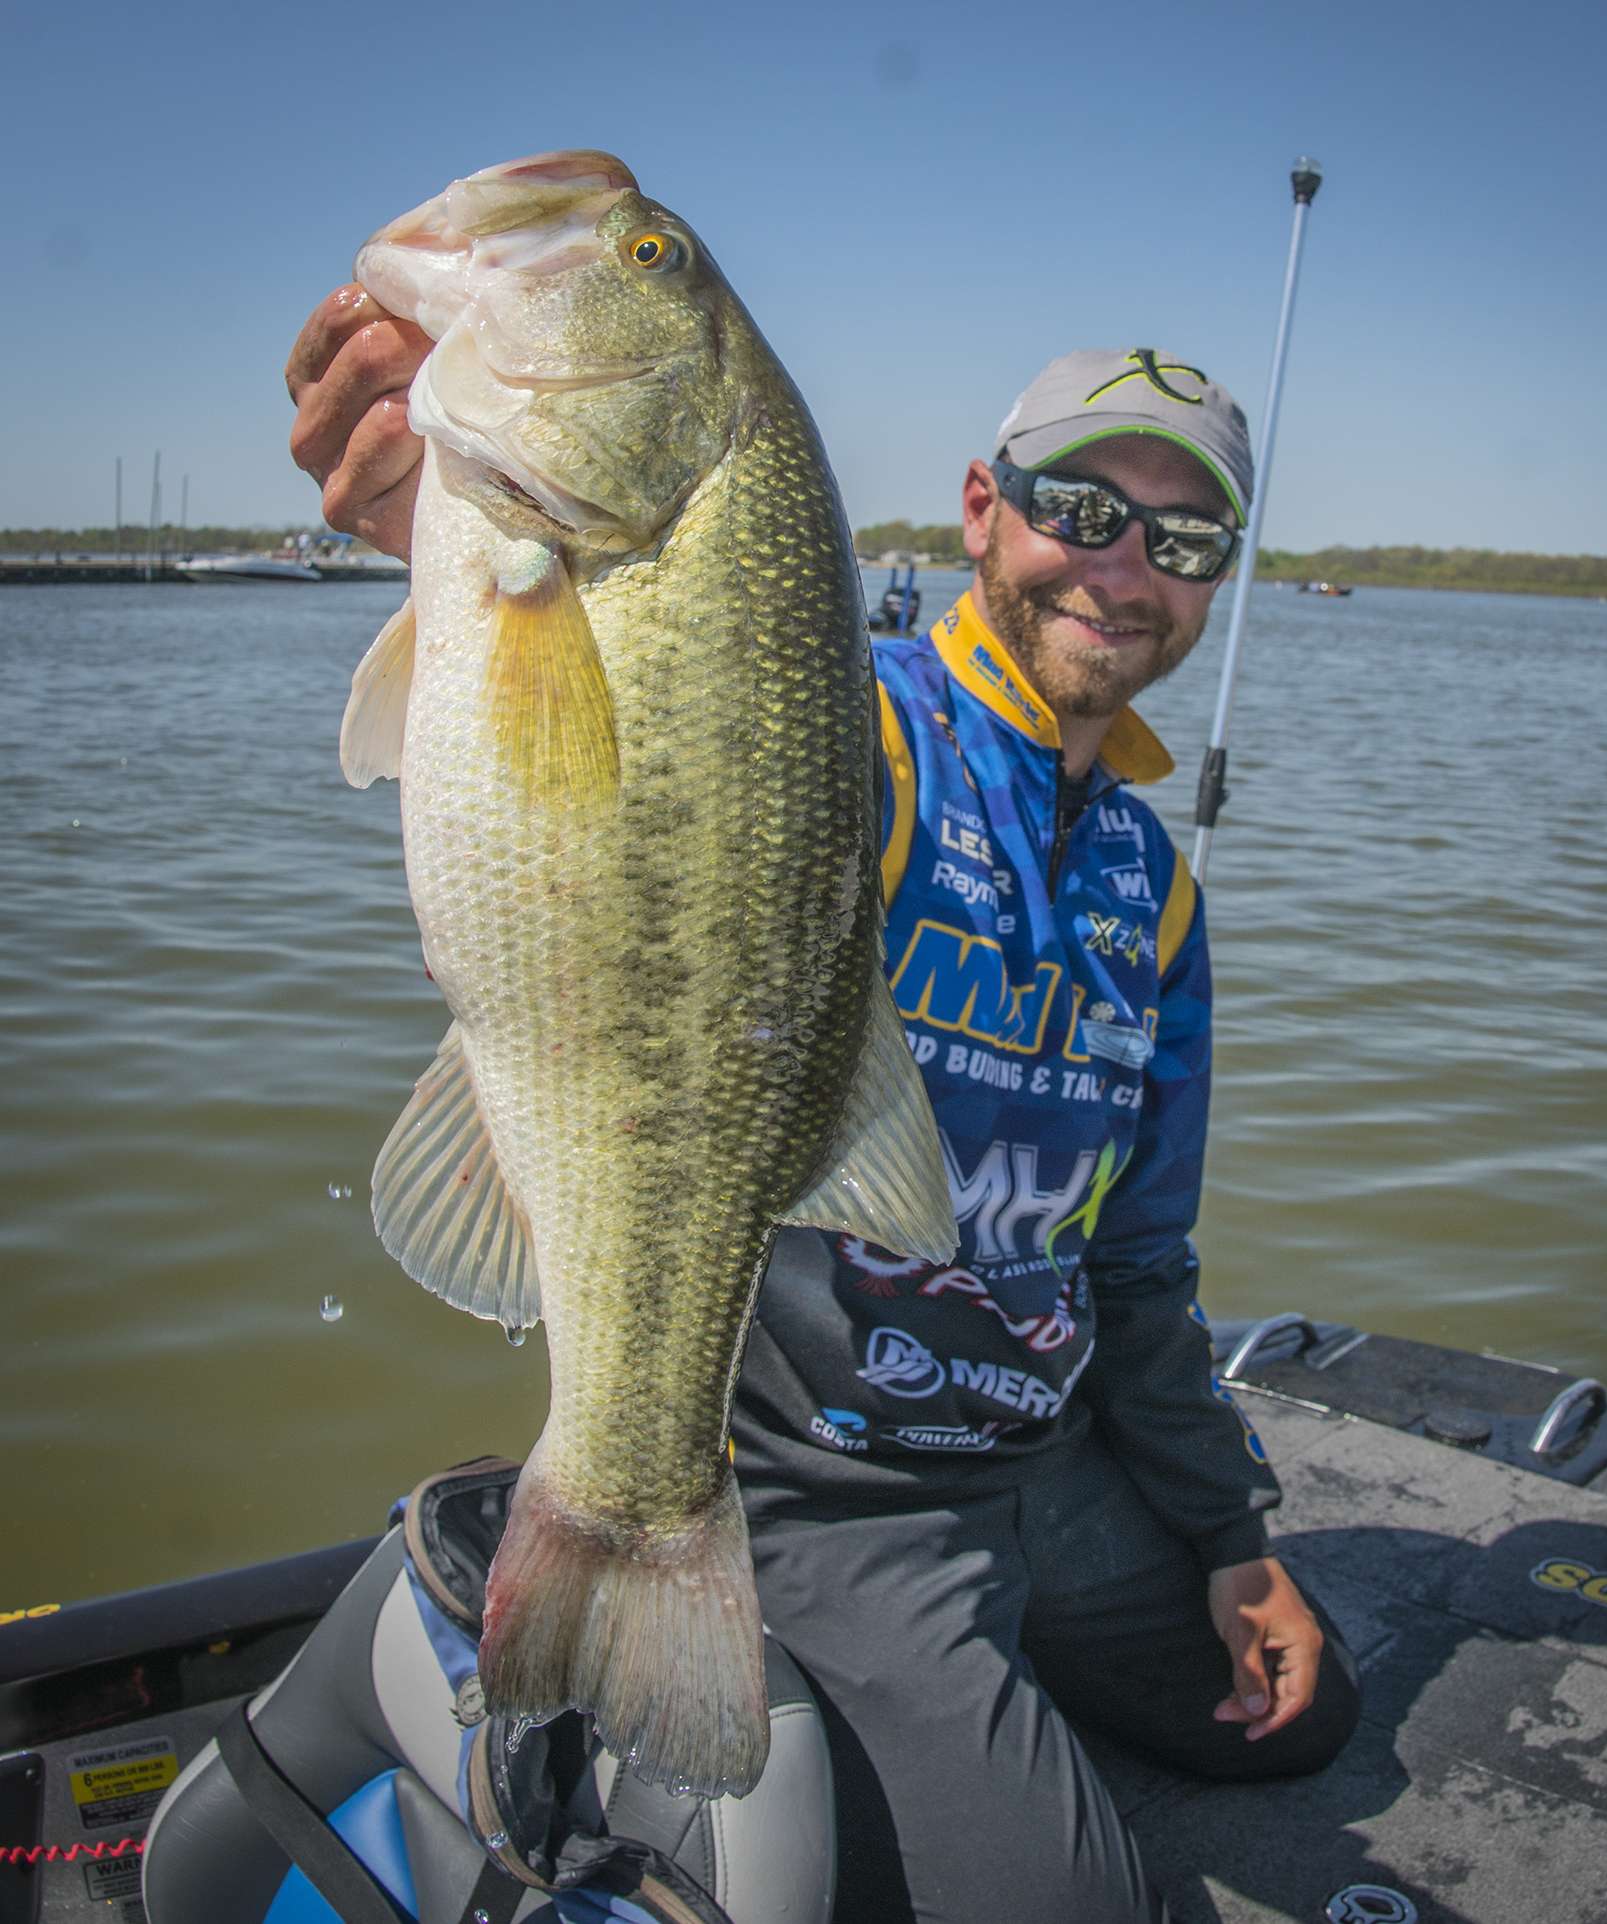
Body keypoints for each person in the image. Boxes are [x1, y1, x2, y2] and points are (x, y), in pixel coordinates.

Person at [287, 307, 1362, 1923]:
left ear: (1216, 578)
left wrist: (1231, 1537)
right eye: (1082, 510)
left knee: (1304, 1718)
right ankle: (680, 1626)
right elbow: (661, 717)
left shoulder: (1157, 890)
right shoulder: (849, 727)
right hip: (827, 1474)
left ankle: (944, 1708)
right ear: (984, 510)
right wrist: (471, 540)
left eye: (1184, 538)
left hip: (1048, 1454)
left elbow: (1138, 1261)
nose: (1125, 568)